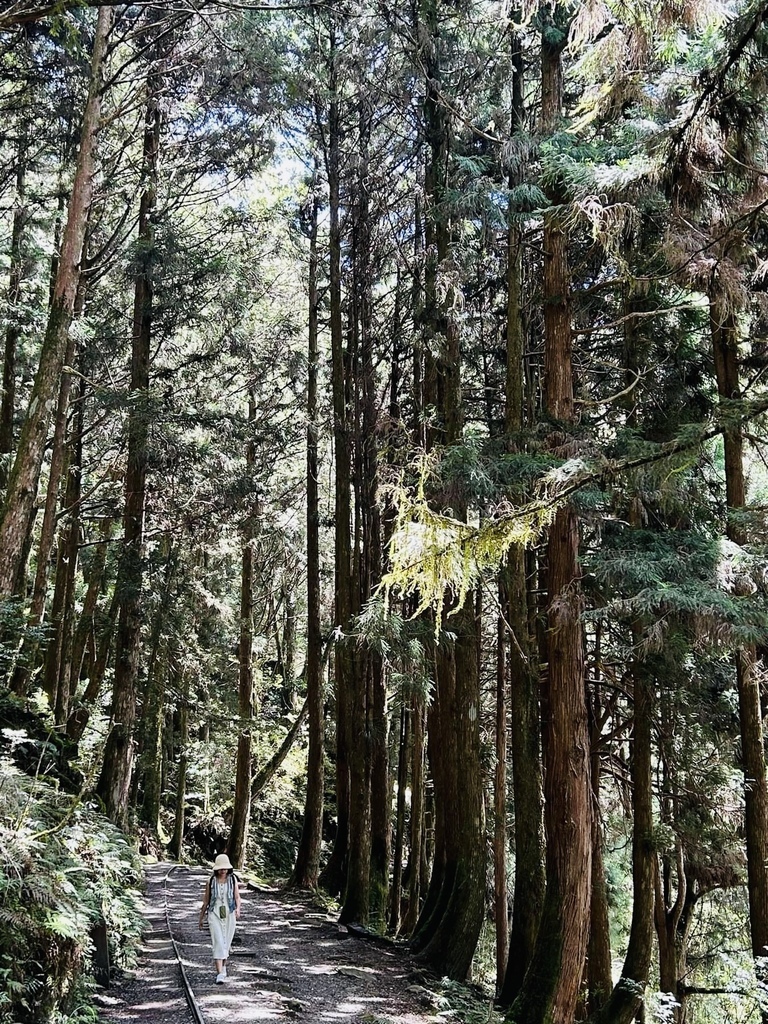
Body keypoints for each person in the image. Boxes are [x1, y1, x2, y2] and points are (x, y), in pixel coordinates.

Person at [198, 853, 242, 983]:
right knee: (218, 942)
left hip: (229, 914)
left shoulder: (233, 879)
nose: (223, 871)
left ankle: (223, 967)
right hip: (214, 914)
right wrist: (201, 918)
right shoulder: (211, 881)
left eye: (225, 868)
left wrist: (238, 909)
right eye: (221, 868)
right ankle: (219, 973)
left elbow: (237, 897)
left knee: (226, 943)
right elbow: (206, 901)